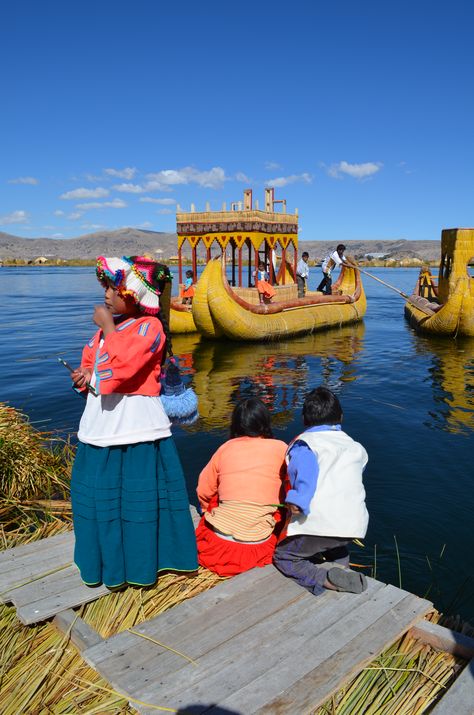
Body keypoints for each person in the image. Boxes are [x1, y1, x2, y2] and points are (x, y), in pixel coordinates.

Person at [69, 255, 198, 589]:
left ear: (134, 295)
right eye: (107, 289)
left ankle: (145, 565)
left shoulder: (149, 328)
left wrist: (108, 328)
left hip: (137, 427)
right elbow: (96, 366)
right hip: (101, 425)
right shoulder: (105, 331)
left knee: (138, 501)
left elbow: (124, 365)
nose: (107, 296)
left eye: (114, 289)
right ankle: (105, 564)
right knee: (102, 499)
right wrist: (84, 376)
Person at [273, 386, 369, 596]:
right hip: (353, 526)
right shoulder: (355, 447)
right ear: (341, 417)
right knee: (335, 542)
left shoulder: (306, 445)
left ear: (304, 420)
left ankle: (325, 580)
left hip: (320, 525)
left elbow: (306, 477)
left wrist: (297, 501)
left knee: (284, 557)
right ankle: (343, 568)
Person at [195, 397, 287, 576]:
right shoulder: (281, 448)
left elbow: (203, 490)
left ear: (236, 424)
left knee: (216, 493)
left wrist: (207, 510)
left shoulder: (226, 448)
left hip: (216, 544)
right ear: (265, 422)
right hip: (255, 548)